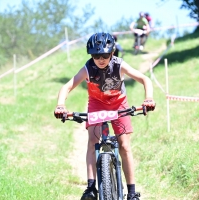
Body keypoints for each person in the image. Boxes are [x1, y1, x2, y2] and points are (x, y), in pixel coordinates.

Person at [54, 32, 155, 200]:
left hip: (119, 104)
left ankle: (131, 192)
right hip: (97, 104)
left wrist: (149, 98)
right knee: (93, 142)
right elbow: (67, 87)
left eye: (105, 55)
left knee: (124, 145)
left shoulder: (119, 65)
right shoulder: (88, 68)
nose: (100, 59)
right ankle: (91, 188)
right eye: (95, 55)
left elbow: (145, 79)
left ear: (112, 53)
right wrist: (60, 105)